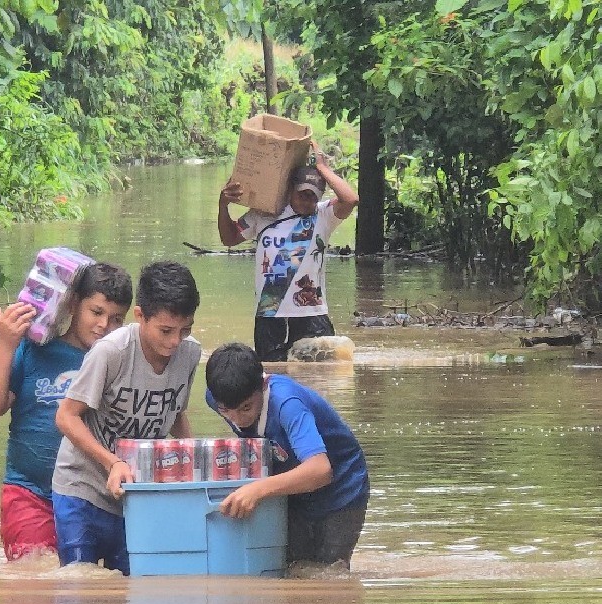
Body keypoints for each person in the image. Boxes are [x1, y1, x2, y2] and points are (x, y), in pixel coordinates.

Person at [0, 262, 133, 561]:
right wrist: (6, 345)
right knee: (36, 581)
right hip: (31, 496)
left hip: (94, 498)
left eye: (116, 319)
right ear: (73, 304)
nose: (104, 326)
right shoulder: (35, 351)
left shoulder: (116, 361)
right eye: (96, 312)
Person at [51, 260, 202, 574]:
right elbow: (66, 417)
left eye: (184, 330)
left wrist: (193, 459)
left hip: (137, 496)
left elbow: (176, 411)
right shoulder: (111, 352)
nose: (175, 341)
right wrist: (112, 462)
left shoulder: (189, 354)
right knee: (80, 586)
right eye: (166, 330)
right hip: (82, 489)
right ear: (140, 316)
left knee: (131, 594)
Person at [204, 342, 369, 569]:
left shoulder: (287, 405)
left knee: (330, 573)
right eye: (226, 411)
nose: (237, 419)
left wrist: (257, 489)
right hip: (292, 489)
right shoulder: (216, 398)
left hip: (342, 490)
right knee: (290, 567)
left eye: (245, 408)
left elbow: (321, 470)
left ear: (263, 385)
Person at [217, 142, 359, 362]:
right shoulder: (262, 214)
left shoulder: (323, 216)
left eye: (314, 196)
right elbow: (229, 238)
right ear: (290, 190)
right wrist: (223, 205)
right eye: (303, 195)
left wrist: (323, 168)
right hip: (270, 313)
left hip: (311, 313)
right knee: (274, 373)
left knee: (321, 377)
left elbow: (350, 199)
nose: (308, 201)